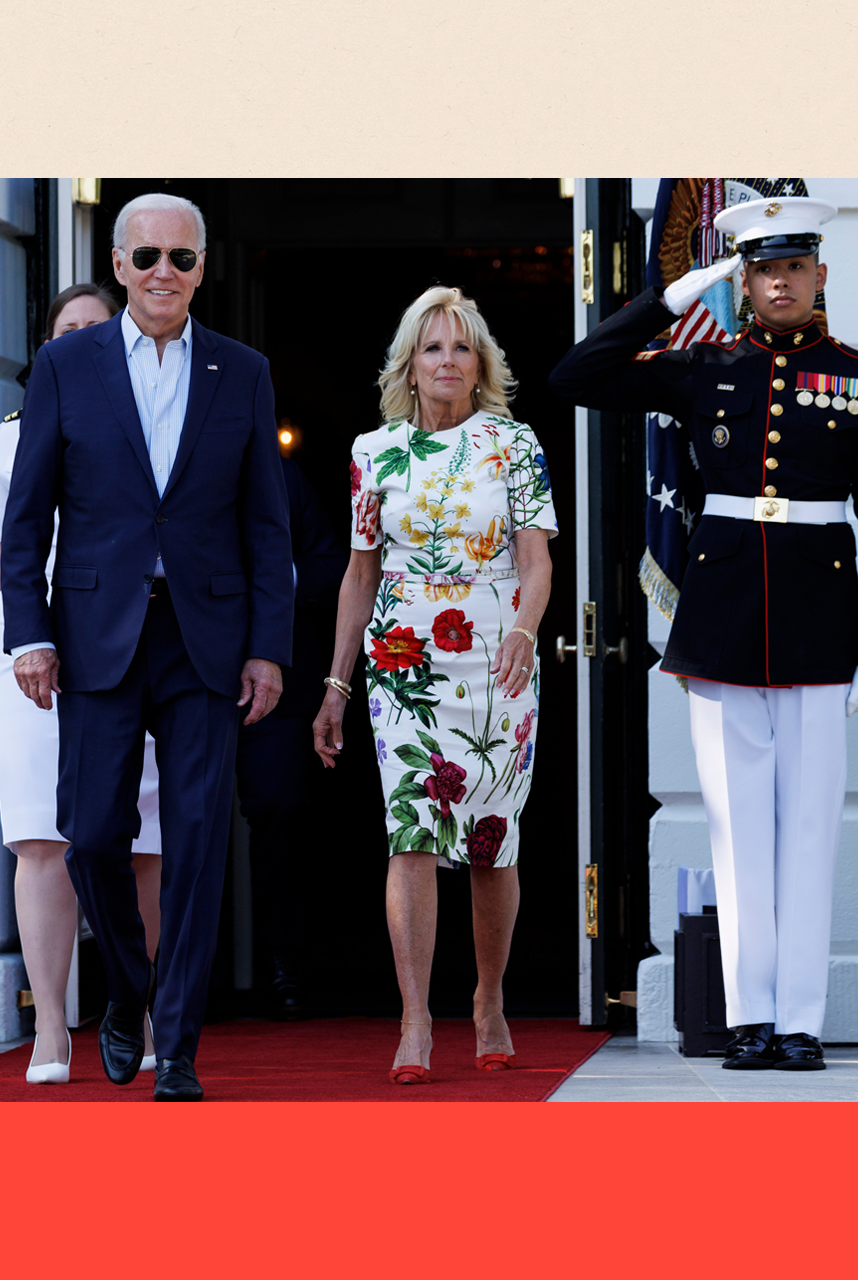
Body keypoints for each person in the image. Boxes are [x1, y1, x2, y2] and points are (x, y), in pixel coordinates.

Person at [547, 196, 858, 1071]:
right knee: (737, 828)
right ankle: (749, 1018)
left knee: (809, 828)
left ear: (820, 276)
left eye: (794, 267)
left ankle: (800, 1025)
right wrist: (667, 301)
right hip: (723, 622)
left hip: (823, 625)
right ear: (740, 281)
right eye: (761, 269)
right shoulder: (703, 366)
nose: (779, 282)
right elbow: (576, 377)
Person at [1, 192, 293, 1102]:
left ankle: (182, 1042)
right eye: (146, 256)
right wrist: (29, 633)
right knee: (90, 836)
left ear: (202, 268)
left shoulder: (242, 371)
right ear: (119, 266)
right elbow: (26, 516)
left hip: (206, 636)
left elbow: (265, 524)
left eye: (182, 257)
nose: (164, 271)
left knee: (202, 842)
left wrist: (269, 647)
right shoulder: (64, 364)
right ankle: (130, 988)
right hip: (92, 634)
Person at [312, 286, 557, 1084]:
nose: (447, 360)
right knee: (410, 831)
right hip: (402, 658)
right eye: (431, 347)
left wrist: (523, 628)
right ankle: (415, 1016)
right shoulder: (372, 452)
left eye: (460, 347)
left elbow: (536, 561)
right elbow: (358, 574)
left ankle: (487, 999)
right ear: (409, 366)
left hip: (496, 655)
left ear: (479, 362)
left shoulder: (513, 445)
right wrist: (336, 685)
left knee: (490, 839)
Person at [0, 283, 165, 1084]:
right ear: (49, 348)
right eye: (67, 332)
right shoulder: (15, 434)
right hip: (24, 661)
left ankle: (135, 1010)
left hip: (127, 653)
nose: (81, 342)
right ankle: (50, 1032)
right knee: (41, 836)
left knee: (141, 844)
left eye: (96, 331)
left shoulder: (162, 426)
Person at [237, 451, 348, 1017]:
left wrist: (278, 576)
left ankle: (287, 963)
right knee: (184, 823)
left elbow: (335, 563)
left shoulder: (281, 472)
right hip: (188, 680)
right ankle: (187, 972)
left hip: (280, 683)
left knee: (281, 811)